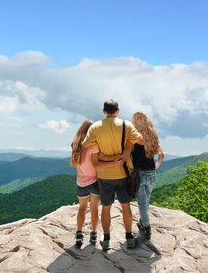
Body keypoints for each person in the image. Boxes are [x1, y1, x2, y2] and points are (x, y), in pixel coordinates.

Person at [82, 99, 143, 250]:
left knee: (106, 207)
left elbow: (85, 144)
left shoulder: (95, 127)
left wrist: (102, 155)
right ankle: (129, 237)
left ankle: (106, 239)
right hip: (123, 173)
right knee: (126, 206)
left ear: (104, 111)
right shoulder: (126, 125)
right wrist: (128, 146)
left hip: (104, 175)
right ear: (118, 111)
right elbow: (140, 140)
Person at [70, 119, 124, 247]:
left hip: (81, 182)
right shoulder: (93, 145)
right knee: (94, 209)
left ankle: (79, 234)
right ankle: (93, 235)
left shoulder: (75, 145)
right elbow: (99, 161)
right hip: (94, 182)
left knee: (82, 208)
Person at [131, 111, 164, 240]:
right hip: (152, 173)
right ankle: (141, 223)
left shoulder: (134, 136)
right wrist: (155, 167)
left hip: (139, 174)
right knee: (146, 201)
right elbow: (161, 155)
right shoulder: (153, 135)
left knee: (142, 203)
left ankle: (147, 227)